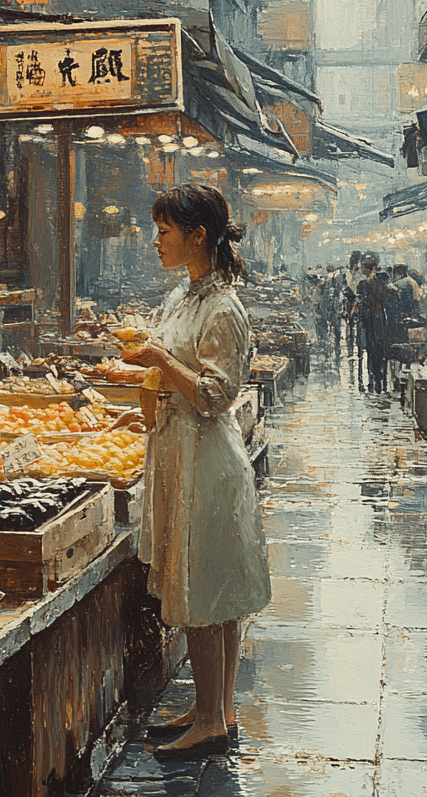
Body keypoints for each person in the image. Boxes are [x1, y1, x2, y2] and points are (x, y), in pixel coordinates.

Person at [122, 183, 271, 760]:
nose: (155, 241)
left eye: (164, 232)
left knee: (205, 591)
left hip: (206, 461)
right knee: (211, 592)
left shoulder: (223, 308)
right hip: (176, 452)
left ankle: (213, 718)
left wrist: (158, 360)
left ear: (197, 236)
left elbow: (215, 394)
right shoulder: (182, 298)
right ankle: (215, 710)